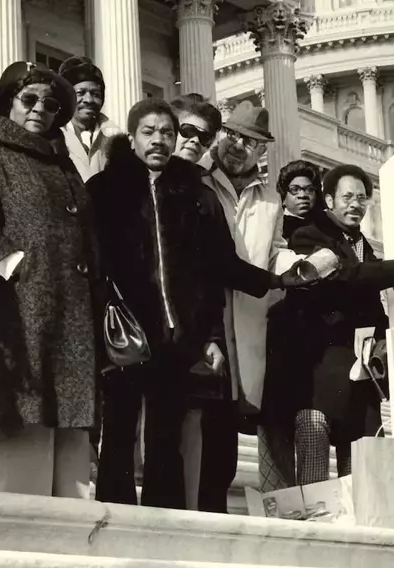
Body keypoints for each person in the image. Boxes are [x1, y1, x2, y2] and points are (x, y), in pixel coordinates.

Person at [87, 98, 308, 509]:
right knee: (118, 433)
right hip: (125, 330)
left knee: (165, 440)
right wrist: (103, 315)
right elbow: (91, 261)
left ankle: (164, 525)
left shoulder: (194, 193)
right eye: (150, 132)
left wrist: (272, 283)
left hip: (178, 337)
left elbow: (218, 267)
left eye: (167, 133)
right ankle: (115, 519)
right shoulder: (103, 190)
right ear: (132, 137)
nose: (160, 140)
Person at [0, 61, 98, 499]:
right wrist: (22, 272)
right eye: (29, 99)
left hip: (70, 326)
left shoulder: (64, 164)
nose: (41, 110)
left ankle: (73, 559)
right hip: (21, 318)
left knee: (73, 471)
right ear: (9, 102)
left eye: (51, 104)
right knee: (26, 462)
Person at [265, 164, 394, 486]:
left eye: (362, 198)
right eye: (348, 197)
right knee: (315, 480)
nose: (356, 204)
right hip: (319, 378)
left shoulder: (361, 242)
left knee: (365, 479)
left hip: (360, 376)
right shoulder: (309, 234)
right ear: (329, 200)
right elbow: (338, 279)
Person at [200, 101, 305, 495]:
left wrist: (300, 265)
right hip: (205, 322)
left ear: (263, 151)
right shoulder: (199, 180)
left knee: (225, 441)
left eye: (251, 141)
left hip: (244, 325)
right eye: (234, 135)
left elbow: (274, 251)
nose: (239, 146)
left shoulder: (270, 201)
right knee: (197, 429)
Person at [164, 93, 230, 511]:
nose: (193, 142)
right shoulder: (131, 181)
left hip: (191, 332)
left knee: (190, 430)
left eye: (203, 139)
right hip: (143, 331)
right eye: (186, 131)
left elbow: (219, 271)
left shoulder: (205, 197)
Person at [58, 56, 119, 182]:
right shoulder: (54, 135)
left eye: (96, 94)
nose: (89, 100)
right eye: (80, 93)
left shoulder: (115, 138)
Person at [278, 160, 325, 239]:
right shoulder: (276, 226)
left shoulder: (326, 226)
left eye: (309, 189)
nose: (303, 195)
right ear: (284, 196)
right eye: (295, 189)